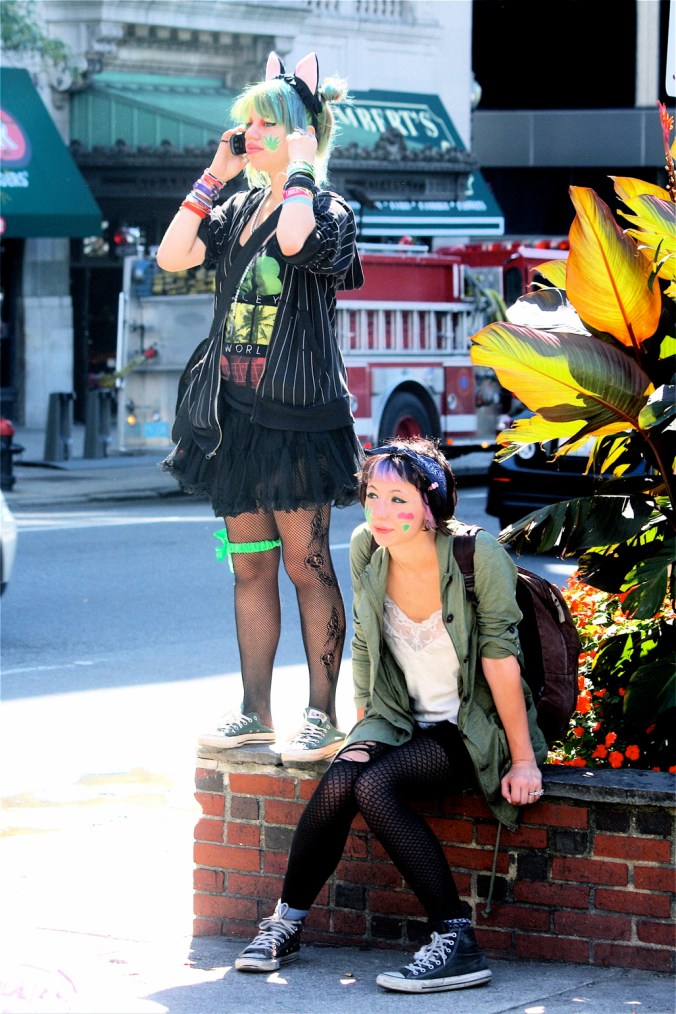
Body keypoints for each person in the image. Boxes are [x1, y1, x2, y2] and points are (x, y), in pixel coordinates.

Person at [234, 437, 548, 993]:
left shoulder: (478, 556)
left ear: (432, 503)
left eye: (398, 499)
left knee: (376, 788)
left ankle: (456, 940)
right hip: (398, 716)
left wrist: (523, 761)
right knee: (342, 780)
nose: (381, 512)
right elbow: (365, 642)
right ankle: (287, 922)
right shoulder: (365, 547)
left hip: (470, 725)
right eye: (372, 495)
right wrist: (365, 727)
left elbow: (502, 657)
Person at [156, 52, 364, 761]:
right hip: (233, 421)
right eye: (243, 123)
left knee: (308, 566)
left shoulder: (329, 209)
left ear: (300, 133)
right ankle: (255, 710)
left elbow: (297, 240)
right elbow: (173, 254)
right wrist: (214, 173)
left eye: (264, 124)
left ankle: (322, 713)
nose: (248, 134)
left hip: (299, 421)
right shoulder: (237, 206)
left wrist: (301, 169)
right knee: (250, 567)